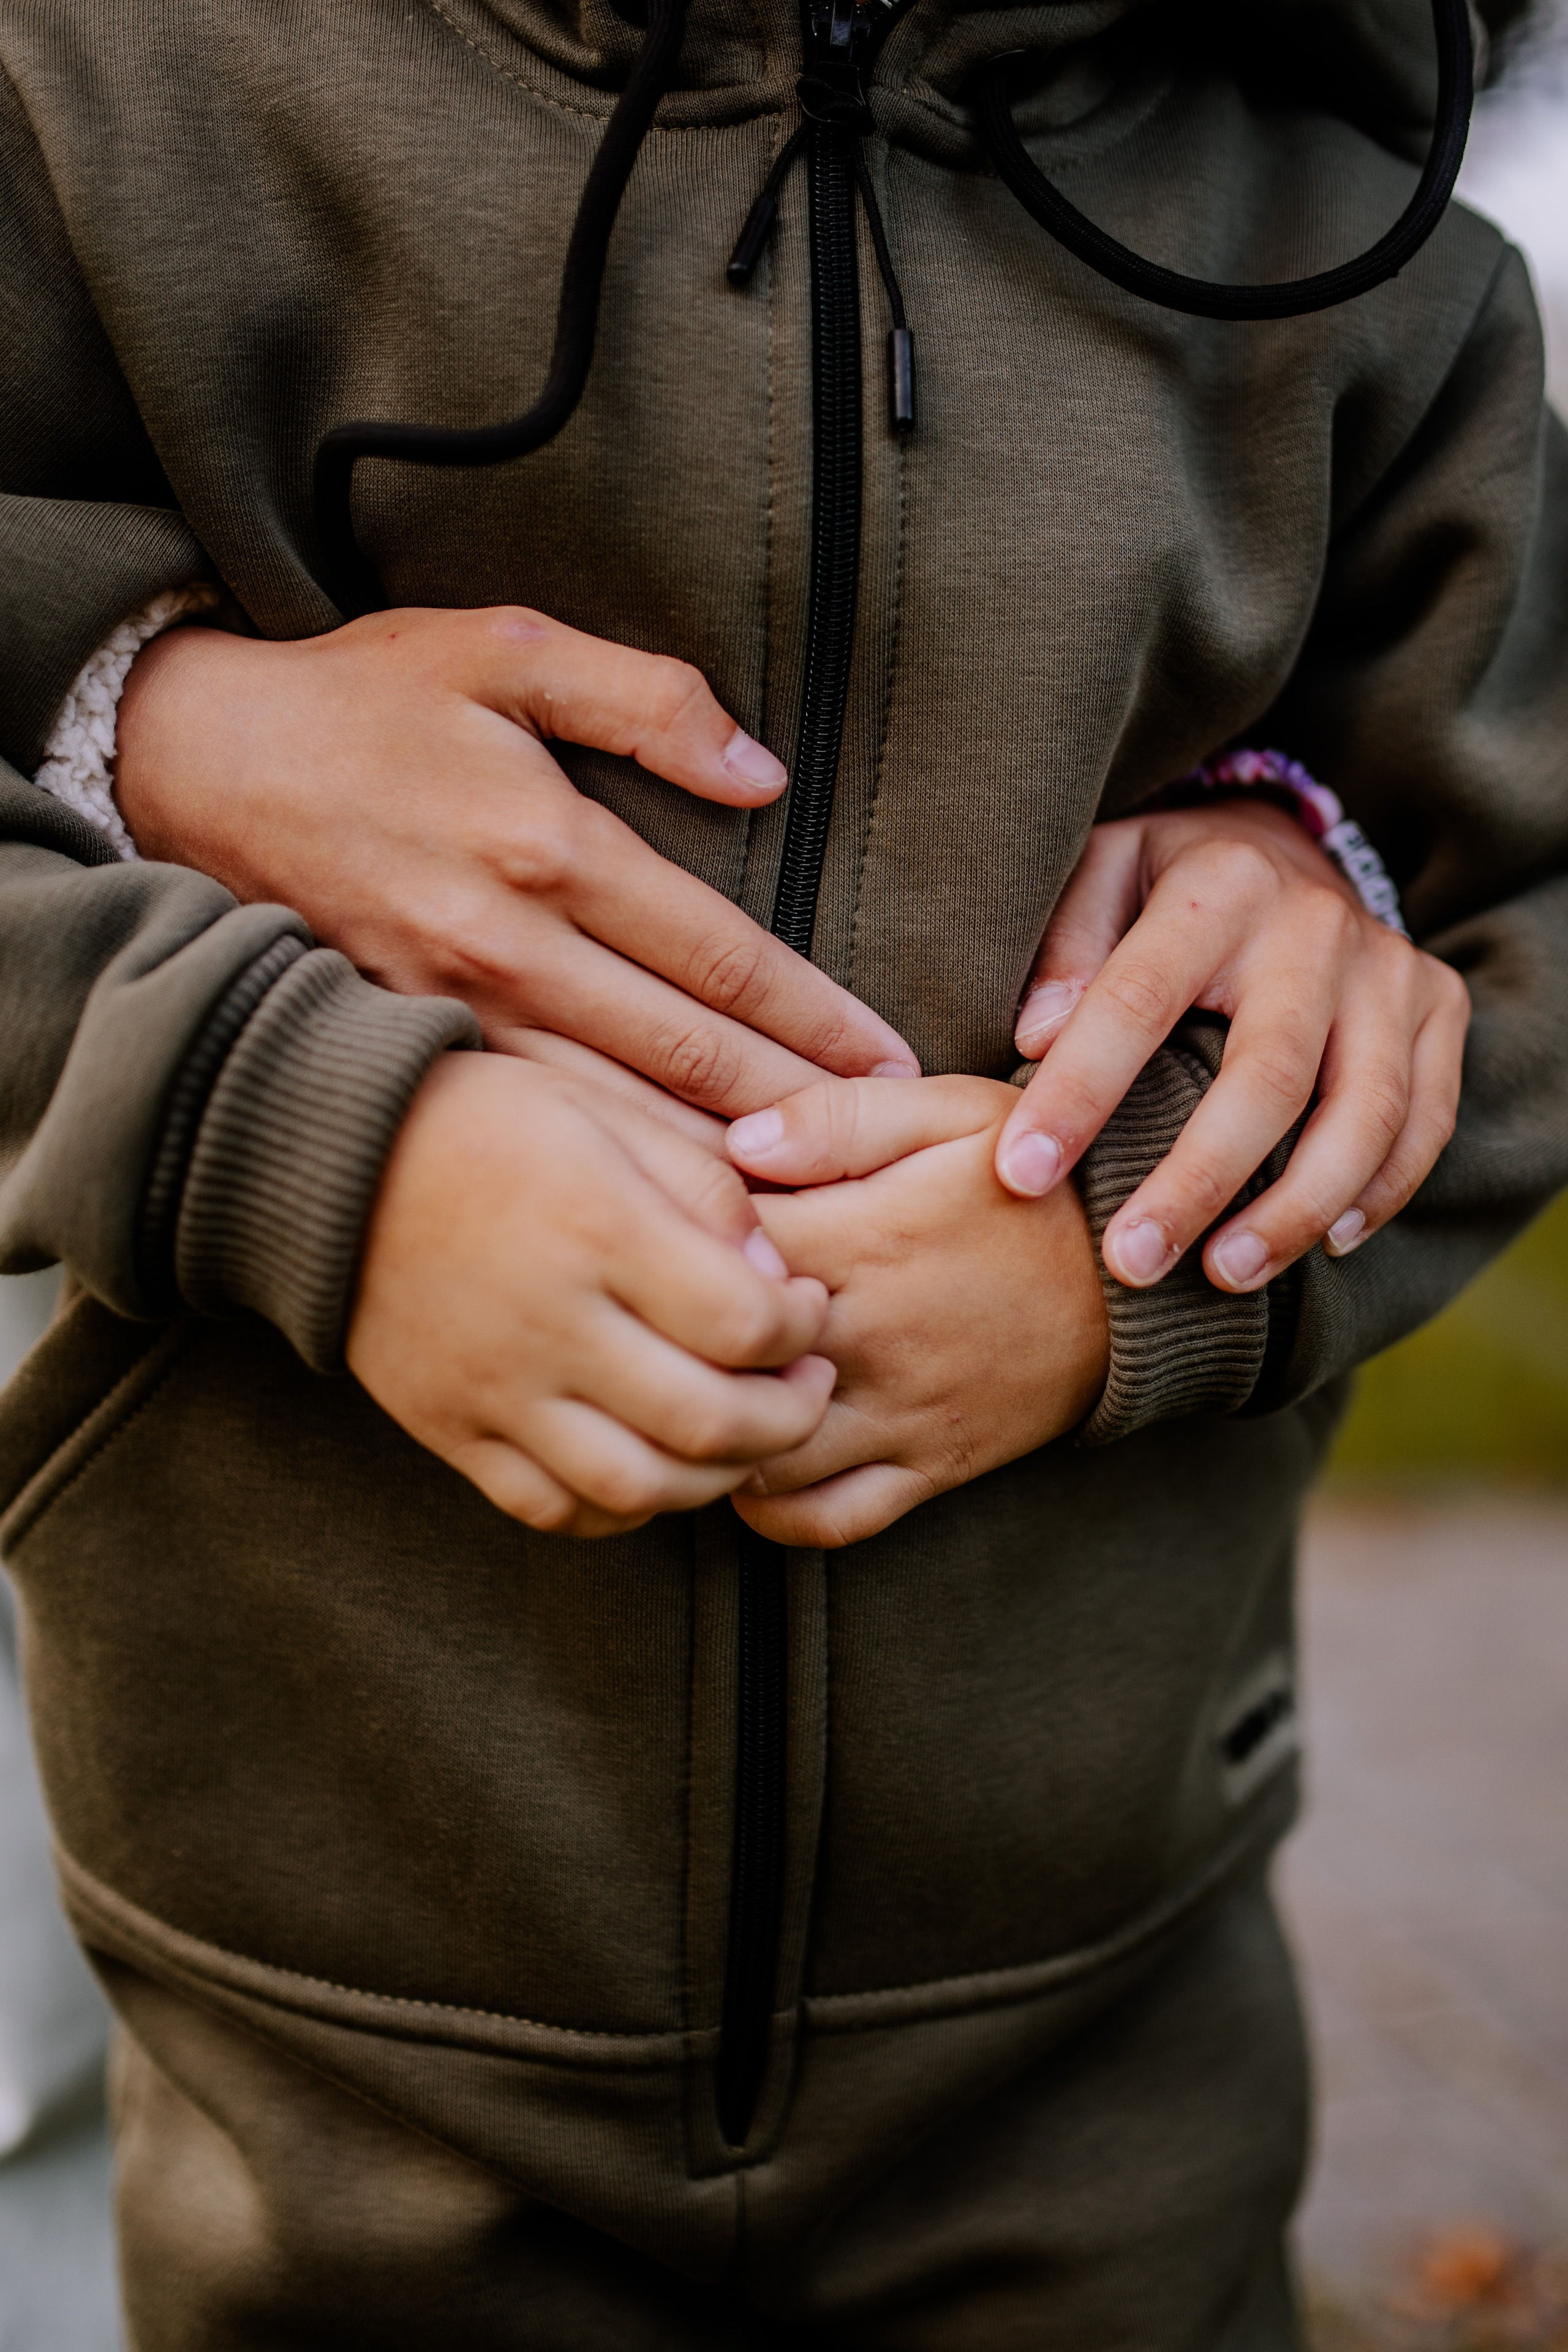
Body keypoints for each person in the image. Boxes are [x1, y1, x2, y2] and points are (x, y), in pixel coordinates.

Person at [0, 1, 1564, 2345]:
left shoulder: (1364, 253)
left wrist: (1149, 1239)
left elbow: (1505, 909)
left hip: (1094, 2030)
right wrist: (306, 1131)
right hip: (313, 1995)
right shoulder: (108, 86)